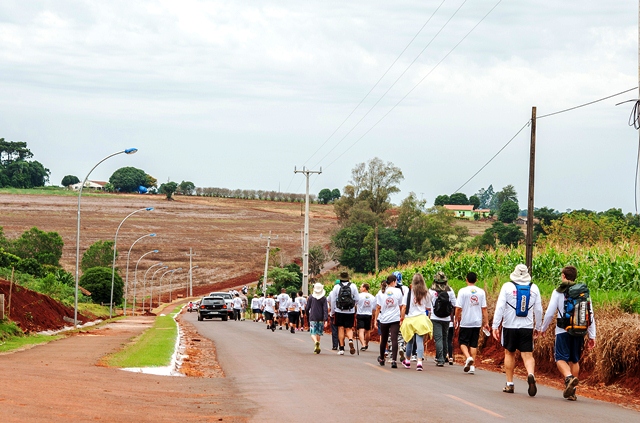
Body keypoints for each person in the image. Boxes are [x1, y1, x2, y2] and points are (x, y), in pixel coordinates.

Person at [541, 265, 596, 401]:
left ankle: (569, 378)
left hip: (562, 330)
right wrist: (592, 335)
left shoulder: (558, 291)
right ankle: (572, 392)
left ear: (564, 276)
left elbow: (549, 313)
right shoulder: (583, 292)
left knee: (560, 358)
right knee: (574, 359)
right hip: (580, 330)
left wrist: (543, 328)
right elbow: (590, 314)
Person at [492, 264, 543, 396]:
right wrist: (538, 327)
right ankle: (530, 374)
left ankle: (510, 384)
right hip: (527, 326)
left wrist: (495, 325)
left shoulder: (507, 287)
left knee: (509, 353)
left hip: (510, 326)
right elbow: (538, 309)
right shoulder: (534, 288)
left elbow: (500, 307)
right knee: (528, 355)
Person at [454, 272, 490, 375]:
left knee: (462, 342)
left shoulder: (462, 291)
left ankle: (468, 357)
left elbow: (458, 308)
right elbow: (484, 309)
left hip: (466, 321)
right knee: (473, 343)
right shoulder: (481, 292)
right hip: (477, 322)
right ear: (476, 280)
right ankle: (472, 366)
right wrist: (486, 322)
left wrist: (456, 318)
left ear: (466, 280)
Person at [400, 273, 433, 371]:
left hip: (410, 319)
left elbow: (404, 307)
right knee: (419, 341)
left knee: (409, 341)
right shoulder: (426, 293)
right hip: (421, 319)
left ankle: (408, 361)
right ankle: (419, 362)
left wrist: (402, 318)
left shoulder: (409, 292)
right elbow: (428, 308)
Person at [373, 274, 405, 368]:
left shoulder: (381, 292)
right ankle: (394, 361)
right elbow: (400, 305)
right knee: (394, 338)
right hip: (395, 318)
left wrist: (375, 319)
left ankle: (382, 358)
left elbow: (378, 307)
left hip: (384, 318)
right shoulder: (398, 291)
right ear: (394, 282)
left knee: (384, 339)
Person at [428, 271, 456, 367]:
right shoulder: (450, 290)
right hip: (447, 318)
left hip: (435, 317)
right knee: (445, 337)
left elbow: (428, 304)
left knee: (438, 338)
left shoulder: (431, 291)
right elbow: (454, 304)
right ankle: (443, 357)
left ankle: (440, 359)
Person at [329, 272, 360, 355]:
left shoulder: (336, 287)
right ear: (348, 278)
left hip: (339, 310)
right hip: (350, 310)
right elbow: (357, 299)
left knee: (341, 328)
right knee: (349, 328)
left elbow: (332, 300)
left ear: (340, 278)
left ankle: (342, 348)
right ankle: (350, 339)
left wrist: (332, 311)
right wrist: (353, 305)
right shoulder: (353, 286)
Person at [306, 283, 329, 354]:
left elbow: (307, 308)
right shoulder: (324, 298)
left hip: (313, 317)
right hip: (321, 318)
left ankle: (316, 342)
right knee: (318, 333)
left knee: (312, 333)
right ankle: (317, 345)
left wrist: (307, 314)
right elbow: (325, 309)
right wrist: (326, 319)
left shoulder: (311, 297)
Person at [355, 283, 376, 351]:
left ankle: (363, 345)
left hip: (360, 314)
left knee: (361, 331)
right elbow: (374, 307)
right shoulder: (372, 297)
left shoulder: (359, 296)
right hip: (368, 314)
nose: (360, 288)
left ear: (364, 288)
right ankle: (366, 344)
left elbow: (355, 304)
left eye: (361, 287)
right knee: (367, 331)